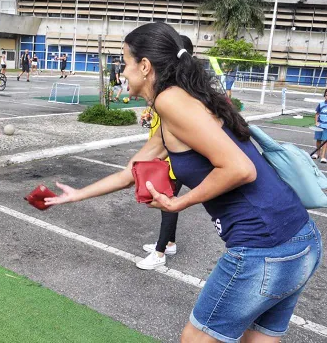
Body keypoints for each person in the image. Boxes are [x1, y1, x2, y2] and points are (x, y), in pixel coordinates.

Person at [45, 22, 322, 343]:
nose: (122, 71)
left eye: (125, 61)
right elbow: (131, 170)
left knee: (195, 339)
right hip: (299, 241)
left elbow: (239, 168)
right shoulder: (182, 103)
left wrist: (180, 202)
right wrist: (77, 194)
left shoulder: (170, 101)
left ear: (145, 66)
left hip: (264, 248)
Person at [138, 34, 194, 270]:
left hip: (174, 155)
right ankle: (169, 243)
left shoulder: (180, 86)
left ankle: (160, 253)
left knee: (166, 201)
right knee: (167, 200)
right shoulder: (172, 83)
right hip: (166, 152)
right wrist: (150, 112)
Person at [312, 89, 327, 163]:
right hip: (320, 125)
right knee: (318, 140)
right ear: (324, 96)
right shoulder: (321, 104)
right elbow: (317, 114)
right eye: (326, 95)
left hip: (326, 126)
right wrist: (316, 122)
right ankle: (317, 154)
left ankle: (323, 157)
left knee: (325, 141)